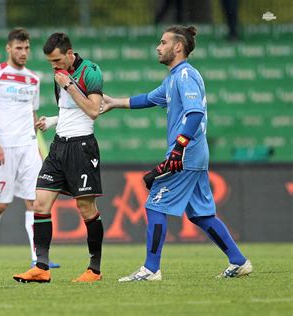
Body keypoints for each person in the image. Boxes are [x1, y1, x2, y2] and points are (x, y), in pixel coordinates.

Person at [101, 25, 252, 281]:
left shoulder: (185, 76)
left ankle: (151, 269)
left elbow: (195, 113)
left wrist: (179, 148)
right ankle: (238, 261)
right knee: (201, 214)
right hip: (193, 153)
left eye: (163, 42)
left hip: (186, 153)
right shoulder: (173, 79)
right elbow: (149, 98)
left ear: (178, 47)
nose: (158, 47)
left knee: (154, 205)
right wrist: (115, 102)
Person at [13, 32, 105, 283]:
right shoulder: (59, 74)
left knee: (86, 209)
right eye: (50, 62)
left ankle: (94, 270)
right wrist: (53, 120)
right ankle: (41, 267)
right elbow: (69, 109)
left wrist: (69, 85)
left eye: (57, 60)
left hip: (82, 147)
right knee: (40, 203)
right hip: (59, 147)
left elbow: (93, 110)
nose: (54, 66)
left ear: (69, 53)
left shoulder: (90, 71)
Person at [0, 27, 59, 269]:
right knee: (0, 204)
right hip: (4, 148)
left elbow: (30, 112)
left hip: (28, 148)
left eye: (26, 48)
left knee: (35, 202)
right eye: (19, 48)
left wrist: (38, 126)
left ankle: (38, 257)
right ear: (8, 48)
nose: (23, 53)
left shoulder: (34, 78)